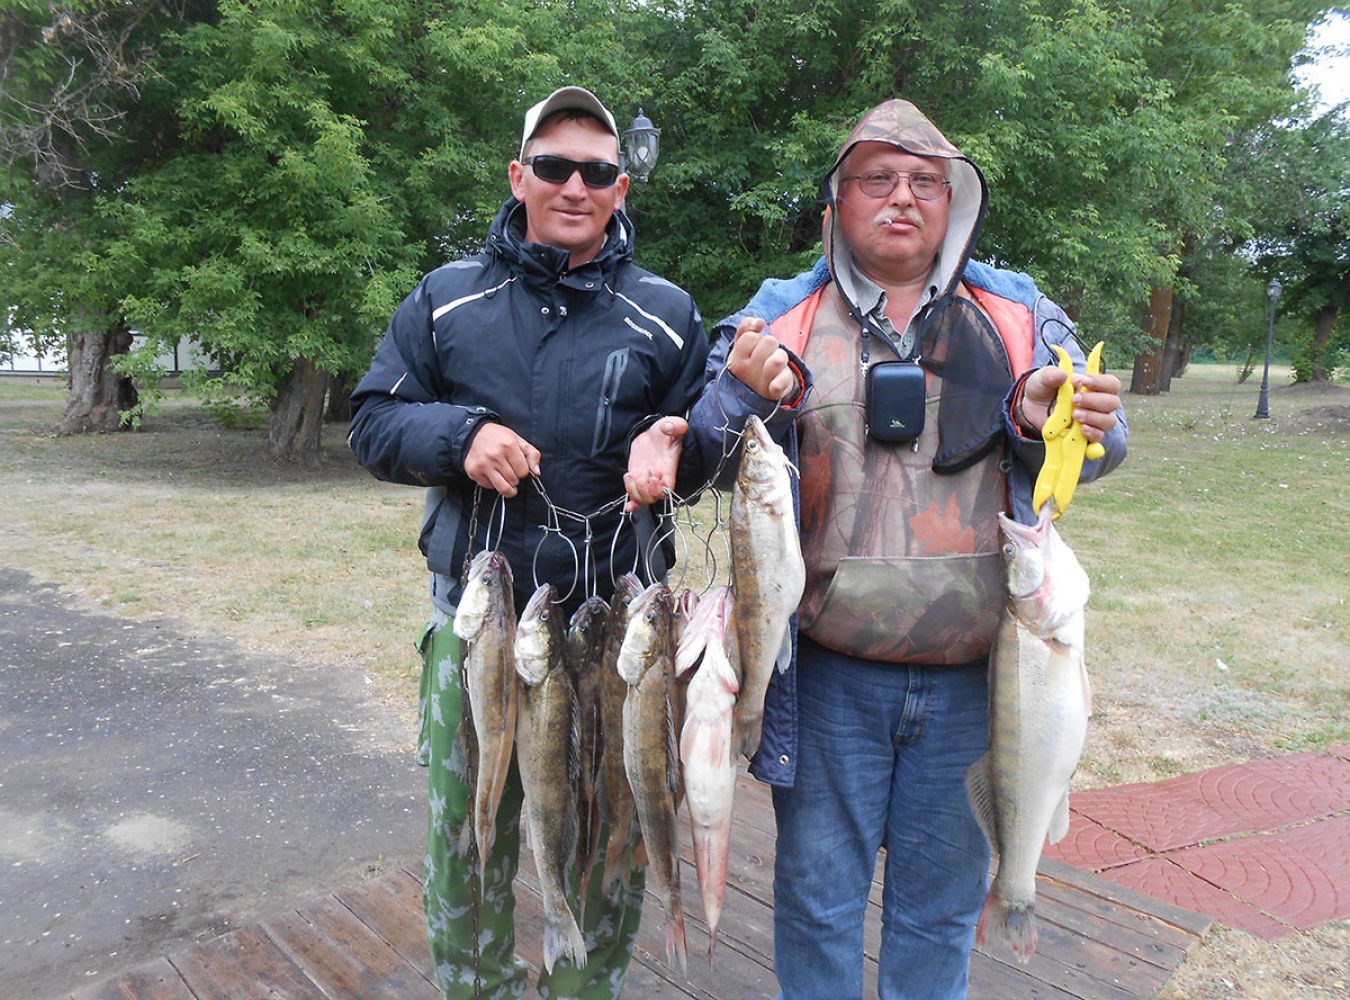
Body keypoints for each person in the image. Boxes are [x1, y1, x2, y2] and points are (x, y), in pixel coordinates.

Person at [347, 86, 790, 1000]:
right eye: (554, 166)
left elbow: (703, 463)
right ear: (519, 176)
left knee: (609, 834)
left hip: (624, 643)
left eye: (596, 171)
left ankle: (586, 985)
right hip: (480, 631)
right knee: (468, 845)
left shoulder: (666, 314)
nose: (574, 186)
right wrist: (459, 436)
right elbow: (371, 423)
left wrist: (683, 432)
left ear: (621, 187)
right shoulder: (445, 301)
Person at [680, 99, 1129, 1000]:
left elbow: (1106, 449)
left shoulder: (1019, 314)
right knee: (816, 904)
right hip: (833, 676)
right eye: (876, 179)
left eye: (926, 182)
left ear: (954, 201)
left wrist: (1053, 419)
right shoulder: (780, 314)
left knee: (939, 909)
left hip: (981, 682)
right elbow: (697, 457)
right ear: (836, 202)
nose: (902, 198)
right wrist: (742, 396)